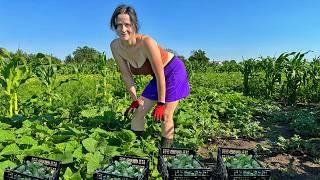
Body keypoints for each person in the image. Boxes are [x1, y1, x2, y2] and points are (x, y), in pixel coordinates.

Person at [109, 4, 190, 147]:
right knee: (138, 112)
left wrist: (161, 103)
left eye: (127, 24)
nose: (123, 29)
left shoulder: (146, 42)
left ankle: (165, 155)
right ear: (114, 26)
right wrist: (135, 99)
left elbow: (160, 75)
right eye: (118, 25)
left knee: (165, 115)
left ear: (134, 25)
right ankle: (136, 149)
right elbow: (126, 75)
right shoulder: (115, 46)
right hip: (157, 77)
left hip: (172, 71)